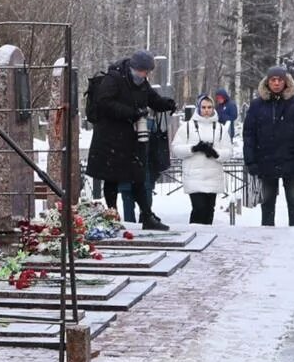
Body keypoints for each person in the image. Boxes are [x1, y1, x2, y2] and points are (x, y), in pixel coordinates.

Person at [88, 51, 177, 230]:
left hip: (131, 139)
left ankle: (146, 216)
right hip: (110, 139)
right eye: (144, 71)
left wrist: (166, 104)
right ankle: (112, 216)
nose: (146, 75)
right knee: (111, 179)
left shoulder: (141, 83)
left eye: (148, 72)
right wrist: (131, 112)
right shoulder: (114, 78)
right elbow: (104, 103)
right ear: (135, 68)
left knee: (138, 177)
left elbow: (152, 99)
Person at [243, 65, 294, 226]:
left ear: (286, 82)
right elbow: (249, 134)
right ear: (267, 82)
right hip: (266, 159)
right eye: (273, 80)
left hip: (291, 159)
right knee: (267, 201)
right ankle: (267, 234)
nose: (276, 83)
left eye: (280, 80)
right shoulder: (257, 105)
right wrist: (251, 161)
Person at [174, 94, 230, 224]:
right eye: (203, 107)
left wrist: (215, 153)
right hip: (194, 176)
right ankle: (194, 234)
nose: (206, 110)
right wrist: (194, 148)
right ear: (199, 108)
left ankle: (206, 237)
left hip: (213, 176)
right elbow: (176, 148)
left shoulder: (220, 128)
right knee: (199, 208)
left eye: (209, 107)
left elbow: (228, 151)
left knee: (209, 210)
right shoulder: (187, 127)